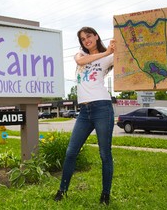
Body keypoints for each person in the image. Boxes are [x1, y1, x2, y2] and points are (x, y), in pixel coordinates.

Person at [54, 27, 115, 205]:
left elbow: (125, 57)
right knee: (71, 152)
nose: (86, 40)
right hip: (84, 111)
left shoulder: (108, 57)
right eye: (82, 38)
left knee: (105, 154)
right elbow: (81, 62)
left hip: (102, 107)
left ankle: (105, 195)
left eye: (89, 36)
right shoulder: (80, 55)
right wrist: (107, 53)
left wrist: (113, 50)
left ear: (96, 36)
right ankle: (62, 191)